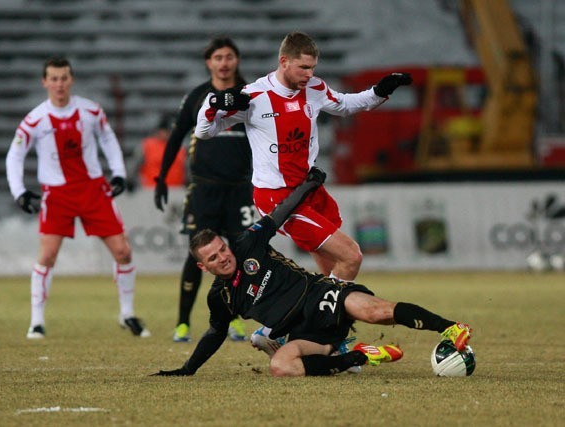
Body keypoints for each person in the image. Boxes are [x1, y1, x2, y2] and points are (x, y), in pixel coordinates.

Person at [150, 168, 472, 377]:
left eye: (222, 249)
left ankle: (451, 328)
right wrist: (187, 369)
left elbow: (279, 213)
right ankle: (357, 357)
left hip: (318, 295)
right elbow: (214, 333)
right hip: (301, 332)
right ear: (202, 267)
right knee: (281, 366)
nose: (223, 257)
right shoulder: (219, 297)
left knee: (374, 312)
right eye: (213, 257)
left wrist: (308, 185)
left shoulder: (247, 243)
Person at [195, 31, 412, 283]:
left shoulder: (315, 88)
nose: (309, 74)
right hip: (278, 198)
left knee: (330, 266)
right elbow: (204, 132)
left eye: (313, 67)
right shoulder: (253, 97)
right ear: (284, 61)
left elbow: (345, 105)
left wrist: (379, 91)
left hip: (308, 189)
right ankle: (325, 315)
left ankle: (328, 316)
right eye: (304, 67)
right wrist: (213, 103)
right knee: (351, 256)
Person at [5, 56, 150, 339]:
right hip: (57, 193)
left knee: (123, 251)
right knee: (47, 255)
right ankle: (36, 322)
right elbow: (15, 155)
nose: (59, 84)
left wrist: (118, 172)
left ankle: (127, 314)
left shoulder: (91, 111)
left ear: (71, 80)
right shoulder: (35, 119)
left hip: (93, 189)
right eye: (54, 79)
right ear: (44, 82)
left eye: (64, 78)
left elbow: (108, 139)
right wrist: (19, 192)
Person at [153, 36, 255, 343]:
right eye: (218, 58)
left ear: (237, 60)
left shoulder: (252, 95)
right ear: (208, 63)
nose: (224, 63)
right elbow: (175, 137)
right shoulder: (197, 96)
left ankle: (237, 318)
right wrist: (161, 177)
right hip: (204, 190)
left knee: (239, 254)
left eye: (229, 57)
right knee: (195, 255)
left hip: (240, 189)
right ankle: (183, 323)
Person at [127, 115, 185, 191]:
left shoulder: (179, 148)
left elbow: (186, 169)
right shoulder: (147, 146)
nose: (164, 134)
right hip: (151, 190)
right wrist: (130, 181)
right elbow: (134, 165)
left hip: (176, 190)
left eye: (166, 131)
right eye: (162, 131)